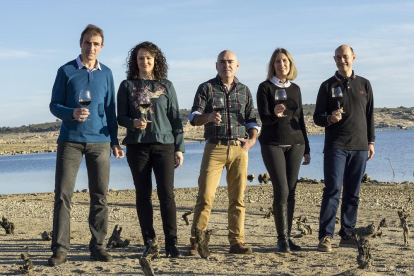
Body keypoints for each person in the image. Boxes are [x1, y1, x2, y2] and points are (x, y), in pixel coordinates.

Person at [48, 24, 124, 266]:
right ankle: (60, 249)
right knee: (63, 196)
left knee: (100, 196)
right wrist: (71, 113)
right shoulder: (66, 70)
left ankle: (98, 246)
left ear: (101, 47)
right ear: (80, 44)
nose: (91, 48)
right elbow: (54, 105)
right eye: (87, 43)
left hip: (100, 143)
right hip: (70, 141)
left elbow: (111, 110)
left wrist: (114, 141)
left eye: (96, 44)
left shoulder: (107, 74)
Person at [188, 50, 260, 256]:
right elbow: (193, 116)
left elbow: (251, 118)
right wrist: (208, 117)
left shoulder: (245, 90)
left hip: (239, 148)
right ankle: (196, 241)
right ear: (216, 65)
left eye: (230, 62)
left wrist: (253, 138)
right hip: (215, 147)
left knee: (238, 198)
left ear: (237, 65)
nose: (226, 65)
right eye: (222, 62)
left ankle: (236, 241)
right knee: (205, 196)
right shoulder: (206, 88)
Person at [117, 41, 184, 258]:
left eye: (148, 58)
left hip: (164, 144)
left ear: (156, 60)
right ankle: (150, 242)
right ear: (134, 61)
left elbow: (175, 118)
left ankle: (171, 244)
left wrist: (179, 148)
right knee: (143, 195)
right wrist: (133, 123)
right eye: (140, 58)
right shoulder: (127, 86)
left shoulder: (166, 86)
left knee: (167, 195)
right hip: (137, 146)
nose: (145, 61)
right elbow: (121, 117)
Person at [313, 45, 375, 252]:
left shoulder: (364, 84)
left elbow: (370, 116)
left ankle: (347, 234)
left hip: (359, 146)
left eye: (345, 57)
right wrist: (330, 118)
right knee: (332, 190)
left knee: (353, 193)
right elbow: (317, 118)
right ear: (334, 60)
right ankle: (325, 237)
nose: (342, 60)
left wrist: (371, 142)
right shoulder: (327, 86)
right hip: (336, 146)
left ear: (353, 58)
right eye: (338, 57)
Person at [256, 48, 311, 253]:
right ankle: (281, 239)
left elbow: (301, 119)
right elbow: (265, 118)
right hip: (272, 144)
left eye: (285, 61)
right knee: (281, 189)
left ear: (290, 64)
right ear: (273, 65)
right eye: (278, 62)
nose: (282, 65)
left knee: (292, 190)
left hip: (296, 144)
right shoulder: (264, 88)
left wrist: (307, 147)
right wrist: (275, 114)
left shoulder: (295, 88)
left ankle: (288, 237)